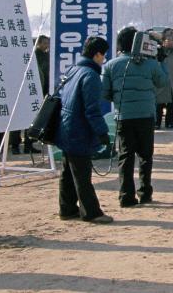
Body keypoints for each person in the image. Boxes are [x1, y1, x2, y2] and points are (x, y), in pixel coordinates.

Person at [102, 27, 166, 208]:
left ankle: (125, 196)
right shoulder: (151, 64)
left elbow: (104, 93)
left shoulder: (111, 65)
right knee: (146, 155)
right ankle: (145, 193)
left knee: (126, 155)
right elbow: (163, 82)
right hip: (146, 114)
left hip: (123, 116)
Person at [55, 36, 113, 224]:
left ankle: (67, 209)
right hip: (79, 130)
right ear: (97, 54)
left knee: (67, 172)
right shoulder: (91, 76)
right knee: (81, 173)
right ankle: (92, 212)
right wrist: (102, 132)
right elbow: (92, 110)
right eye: (103, 55)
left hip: (65, 127)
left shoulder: (73, 69)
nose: (104, 59)